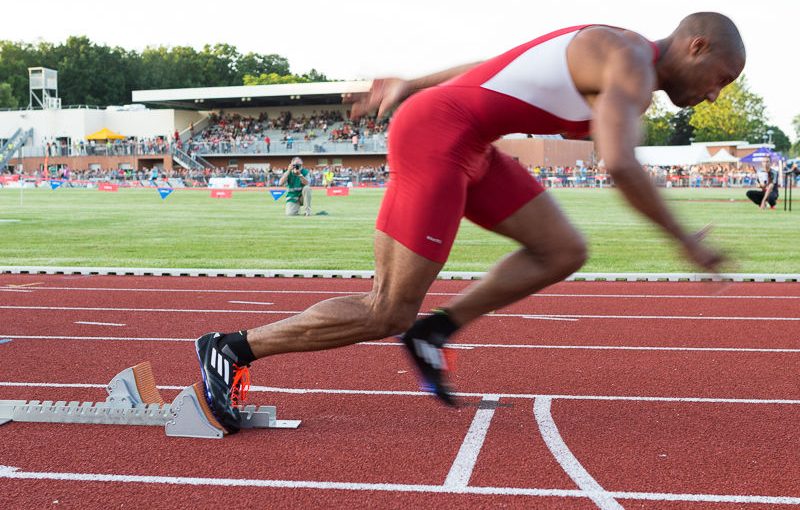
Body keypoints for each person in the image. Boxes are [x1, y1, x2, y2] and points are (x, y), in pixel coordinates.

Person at [194, 13, 745, 433]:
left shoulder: (619, 57)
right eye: (721, 77)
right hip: (438, 136)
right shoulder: (629, 63)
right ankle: (233, 347)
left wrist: (412, 82)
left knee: (562, 250)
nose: (715, 93)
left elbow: (492, 67)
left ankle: (437, 330)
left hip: (471, 144)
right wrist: (685, 240)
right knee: (386, 309)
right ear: (696, 45)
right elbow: (621, 163)